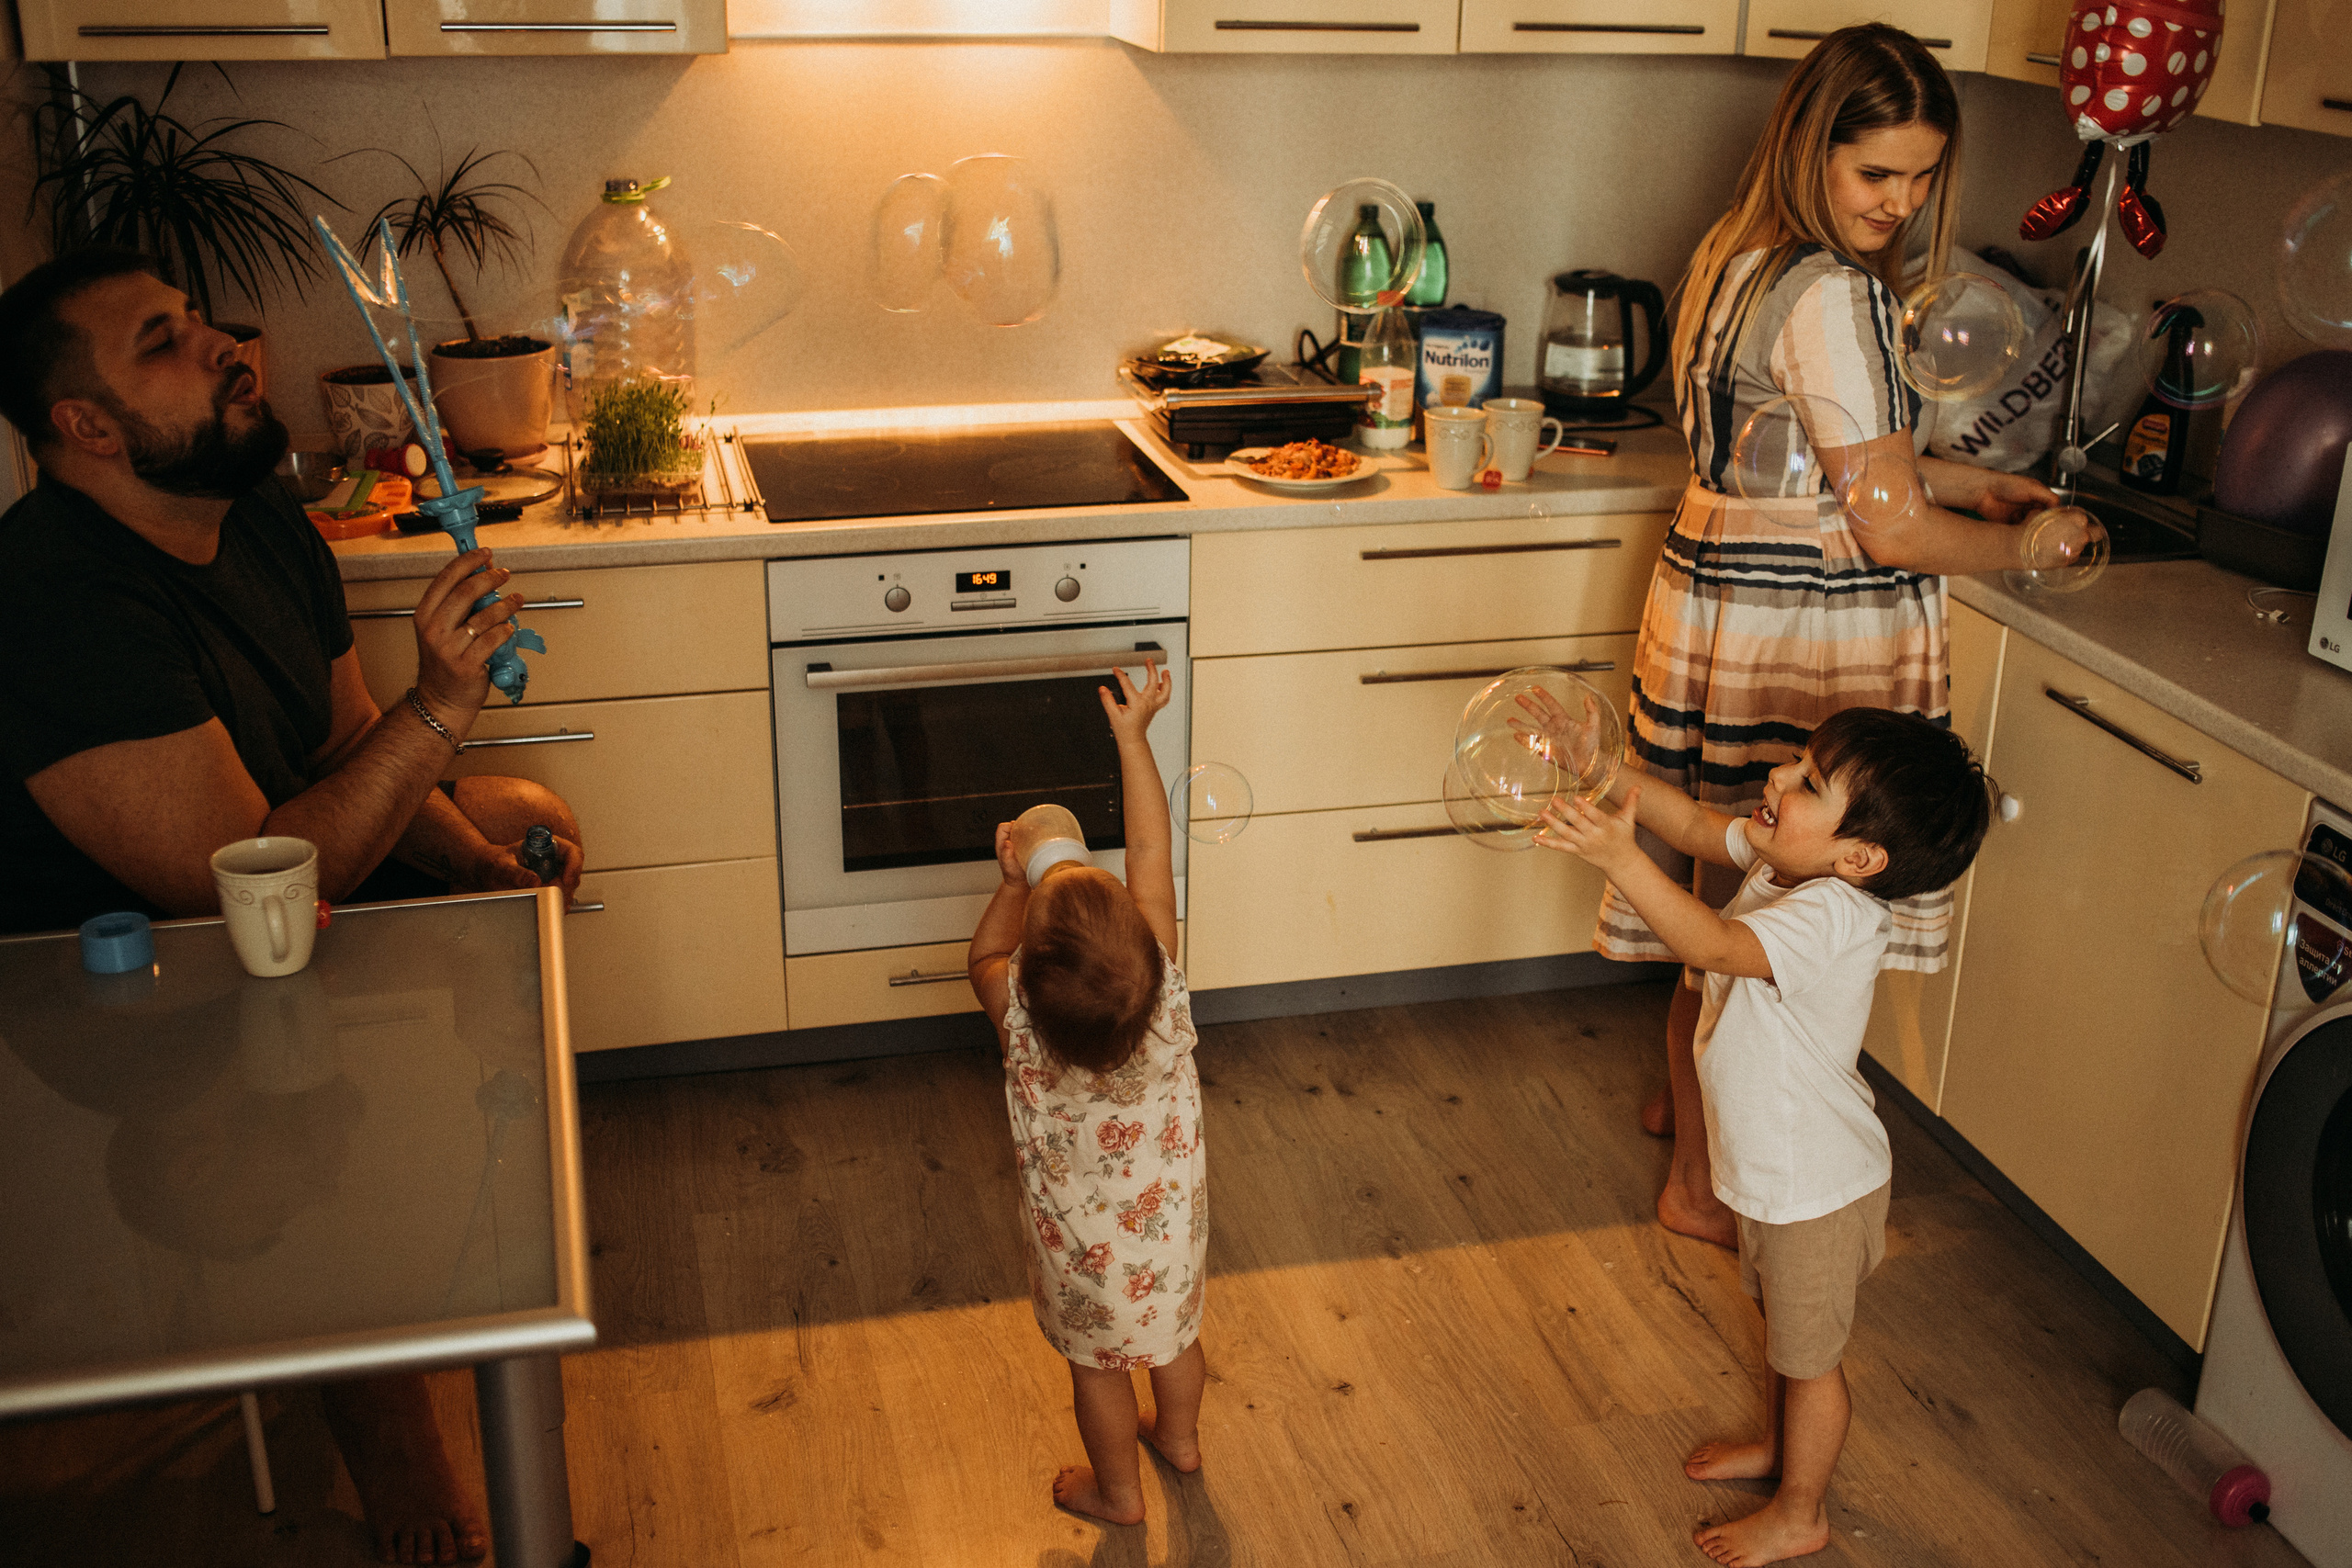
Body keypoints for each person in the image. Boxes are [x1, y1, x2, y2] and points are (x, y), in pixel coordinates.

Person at [0, 248, 587, 1565]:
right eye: (163, 341)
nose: (222, 348)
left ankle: (466, 1172)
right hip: (137, 994)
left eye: (200, 323)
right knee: (329, 1167)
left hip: (278, 881)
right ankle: (397, 1441)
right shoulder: (54, 600)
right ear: (83, 427)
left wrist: (487, 871)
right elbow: (239, 873)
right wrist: (446, 703)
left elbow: (343, 747)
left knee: (534, 820)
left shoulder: (252, 508)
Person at [1605, 23, 2088, 1248]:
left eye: (1924, 176)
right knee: (1761, 927)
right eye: (1878, 173)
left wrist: (1964, 487)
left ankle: (1690, 1107)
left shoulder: (1740, 249)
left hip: (1725, 602)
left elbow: (1828, 459)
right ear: (1815, 147)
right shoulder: (1838, 292)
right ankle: (1707, 1184)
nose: (1904, 201)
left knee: (1728, 892)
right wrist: (2030, 548)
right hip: (1802, 631)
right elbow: (1887, 529)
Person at [1539, 706, 1994, 1566]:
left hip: (1814, 1188)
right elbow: (1696, 823)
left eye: (1811, 783)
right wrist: (1599, 765)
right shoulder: (1792, 864)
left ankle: (1802, 1509)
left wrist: (1618, 858)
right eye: (1797, 763)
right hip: (1777, 1176)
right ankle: (1785, 1453)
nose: (1778, 780)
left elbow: (1711, 941)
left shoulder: (1832, 915)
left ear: (1858, 860)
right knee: (1783, 1327)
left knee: (1812, 1358)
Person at [967, 662, 1208, 1527]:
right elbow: (1150, 850)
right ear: (1146, 938)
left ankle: (1117, 1492)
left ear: (1027, 976)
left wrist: (1011, 882)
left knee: (1098, 1370)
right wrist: (1133, 738)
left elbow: (981, 963)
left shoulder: (1021, 1025)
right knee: (1176, 1344)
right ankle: (1178, 1439)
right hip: (1170, 1243)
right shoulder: (1165, 994)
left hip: (1083, 1267)